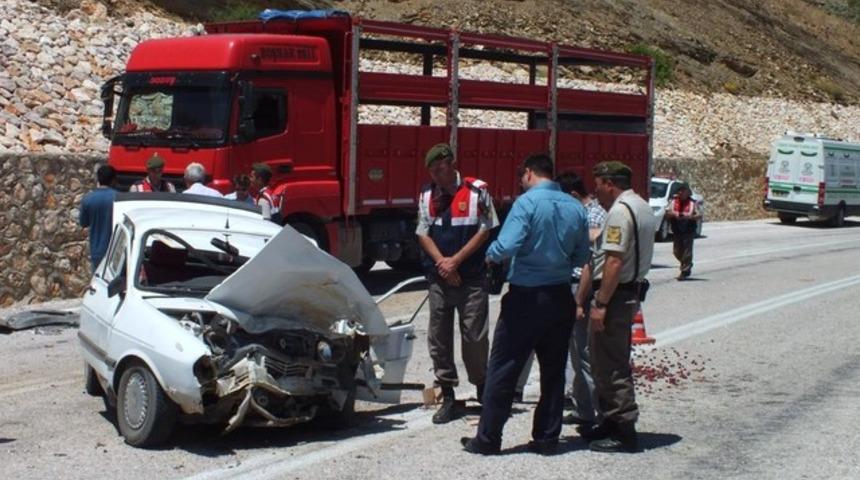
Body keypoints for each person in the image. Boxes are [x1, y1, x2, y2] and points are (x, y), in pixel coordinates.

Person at [461, 154, 588, 455]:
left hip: (526, 297)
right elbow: (582, 257)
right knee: (554, 371)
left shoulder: (527, 203)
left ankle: (488, 439)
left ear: (529, 173)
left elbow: (507, 245)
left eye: (521, 177)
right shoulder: (575, 207)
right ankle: (546, 438)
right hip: (559, 295)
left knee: (504, 368)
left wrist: (490, 255)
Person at [416, 143, 499, 424]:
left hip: (471, 277)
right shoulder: (427, 194)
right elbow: (423, 233)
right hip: (439, 278)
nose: (437, 176)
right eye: (432, 171)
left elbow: (486, 229)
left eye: (440, 169)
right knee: (438, 337)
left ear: (451, 164)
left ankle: (482, 389)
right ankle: (448, 395)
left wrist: (456, 261)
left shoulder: (477, 191)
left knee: (474, 336)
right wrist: (443, 263)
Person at [577, 161, 656, 453]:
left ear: (610, 183)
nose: (595, 191)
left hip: (615, 295)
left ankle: (623, 429)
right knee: (605, 359)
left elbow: (613, 261)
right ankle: (610, 421)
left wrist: (600, 303)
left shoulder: (621, 213)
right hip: (626, 292)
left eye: (598, 184)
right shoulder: (641, 206)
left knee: (610, 363)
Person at [514, 173, 607, 406]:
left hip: (578, 288)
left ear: (573, 195)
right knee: (547, 341)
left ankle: (586, 406)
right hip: (562, 284)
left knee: (577, 351)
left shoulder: (592, 215)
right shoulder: (581, 211)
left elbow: (588, 263)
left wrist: (578, 301)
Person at [79, 165, 117, 272]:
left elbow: (83, 223)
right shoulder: (119, 199)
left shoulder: (88, 199)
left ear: (98, 179)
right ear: (113, 180)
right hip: (115, 251)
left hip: (96, 251)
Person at [664, 182, 700, 280]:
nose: (681, 193)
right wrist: (673, 215)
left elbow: (699, 215)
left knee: (687, 252)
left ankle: (685, 271)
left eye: (683, 191)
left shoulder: (693, 202)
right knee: (677, 251)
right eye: (679, 191)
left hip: (689, 229)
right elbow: (666, 213)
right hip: (677, 230)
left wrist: (690, 217)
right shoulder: (673, 201)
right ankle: (687, 263)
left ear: (688, 192)